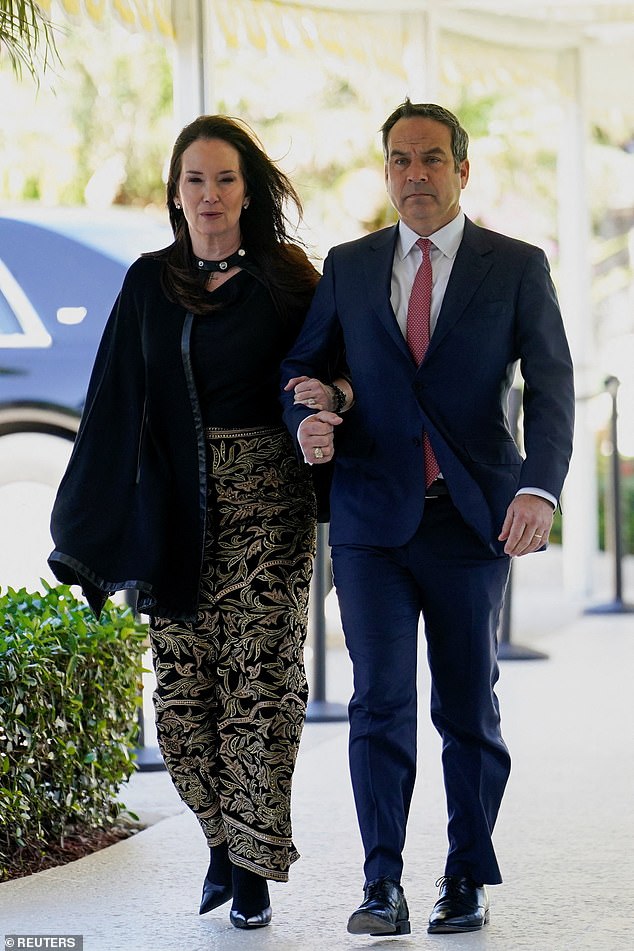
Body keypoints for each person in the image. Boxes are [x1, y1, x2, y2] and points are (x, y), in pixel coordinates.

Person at [281, 99, 574, 936]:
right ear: (386, 174)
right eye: (401, 161)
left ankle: (465, 875)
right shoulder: (350, 264)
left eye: (432, 160)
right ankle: (381, 883)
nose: (416, 175)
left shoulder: (516, 266)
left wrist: (539, 487)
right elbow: (305, 363)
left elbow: (552, 386)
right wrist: (306, 413)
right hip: (372, 517)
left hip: (471, 517)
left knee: (467, 708)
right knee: (378, 702)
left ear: (462, 171)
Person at [49, 114, 333, 930]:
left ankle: (250, 873)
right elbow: (109, 404)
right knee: (180, 706)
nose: (210, 196)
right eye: (194, 180)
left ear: (250, 190)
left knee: (260, 692)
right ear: (175, 192)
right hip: (176, 517)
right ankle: (219, 838)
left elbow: (330, 371)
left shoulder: (288, 280)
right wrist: (86, 536)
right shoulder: (148, 282)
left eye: (225, 179)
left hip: (268, 515)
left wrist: (327, 405)